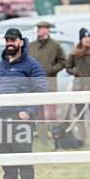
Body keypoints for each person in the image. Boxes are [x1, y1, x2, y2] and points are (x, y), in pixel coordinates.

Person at [0, 28, 47, 179]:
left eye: (13, 40)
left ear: (21, 42)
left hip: (20, 117)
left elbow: (41, 89)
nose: (9, 43)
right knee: (6, 159)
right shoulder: (1, 65)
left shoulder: (32, 65)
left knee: (24, 158)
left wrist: (29, 111)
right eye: (7, 40)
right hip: (1, 118)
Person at [28, 20, 66, 149]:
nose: (39, 30)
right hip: (35, 84)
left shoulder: (55, 46)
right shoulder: (31, 46)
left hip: (49, 83)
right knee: (39, 115)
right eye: (38, 28)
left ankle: (57, 141)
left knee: (52, 114)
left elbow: (62, 61)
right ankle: (43, 142)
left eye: (41, 28)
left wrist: (52, 69)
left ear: (47, 30)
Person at [66, 28, 90, 147]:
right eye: (85, 38)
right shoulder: (74, 53)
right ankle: (82, 139)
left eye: (88, 37)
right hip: (78, 86)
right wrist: (75, 72)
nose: (87, 40)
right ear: (81, 39)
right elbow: (68, 67)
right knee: (79, 113)